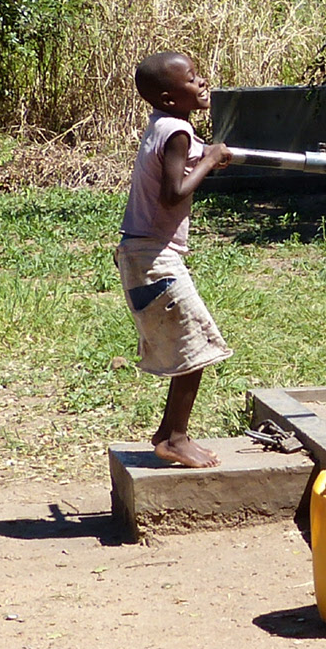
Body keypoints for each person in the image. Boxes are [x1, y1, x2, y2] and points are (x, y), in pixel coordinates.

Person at [115, 51, 233, 468]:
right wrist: (213, 159)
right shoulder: (178, 131)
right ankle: (176, 439)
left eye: (199, 74)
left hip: (143, 253)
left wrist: (211, 157)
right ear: (168, 97)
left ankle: (167, 434)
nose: (202, 82)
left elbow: (183, 167)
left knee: (191, 346)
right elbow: (173, 193)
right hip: (153, 257)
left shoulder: (165, 124)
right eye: (191, 79)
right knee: (196, 346)